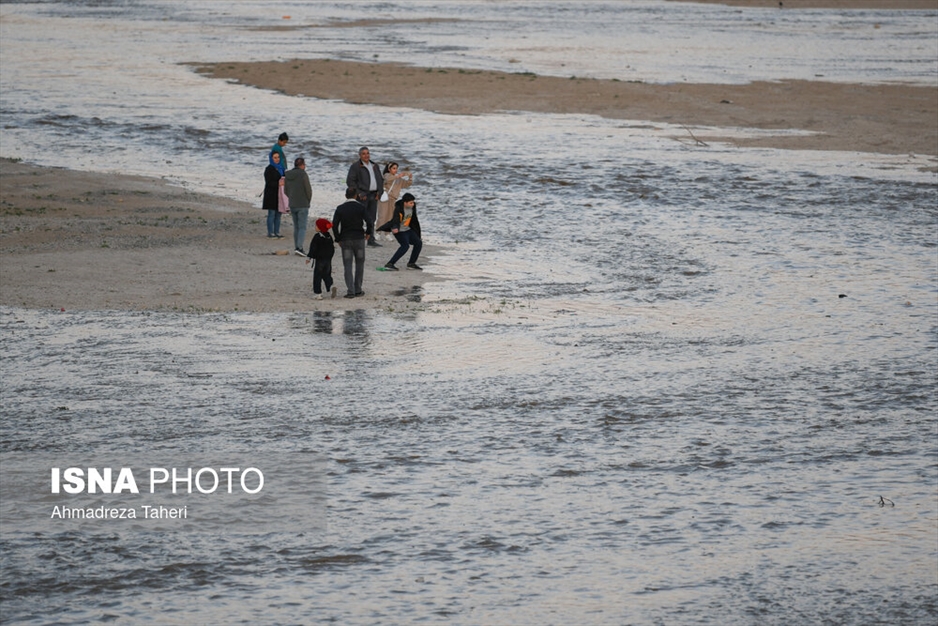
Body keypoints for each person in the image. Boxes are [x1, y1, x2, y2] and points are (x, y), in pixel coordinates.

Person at [332, 188, 373, 298]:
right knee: (359, 264)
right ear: (356, 196)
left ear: (346, 196)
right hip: (359, 239)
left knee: (347, 265)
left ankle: (350, 291)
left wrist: (338, 238)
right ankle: (358, 289)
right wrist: (368, 233)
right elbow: (369, 221)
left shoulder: (340, 208)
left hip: (346, 239)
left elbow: (334, 225)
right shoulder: (361, 207)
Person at [346, 146, 383, 248]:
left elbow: (380, 180)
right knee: (358, 218)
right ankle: (357, 239)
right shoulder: (356, 166)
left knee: (372, 218)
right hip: (363, 196)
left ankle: (371, 239)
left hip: (374, 195)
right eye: (364, 154)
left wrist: (380, 192)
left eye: (367, 153)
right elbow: (350, 181)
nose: (366, 155)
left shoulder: (374, 165)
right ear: (360, 155)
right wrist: (359, 193)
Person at [379, 192, 423, 271]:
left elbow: (414, 219)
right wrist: (395, 228)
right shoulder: (399, 208)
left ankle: (411, 263)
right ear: (405, 203)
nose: (413, 204)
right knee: (405, 246)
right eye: (411, 203)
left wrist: (417, 233)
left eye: (413, 202)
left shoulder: (413, 207)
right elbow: (395, 219)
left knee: (418, 243)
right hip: (399, 230)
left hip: (408, 229)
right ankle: (390, 264)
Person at [376, 162, 412, 241]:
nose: (395, 170)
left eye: (396, 168)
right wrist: (398, 176)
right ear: (389, 169)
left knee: (390, 217)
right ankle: (378, 232)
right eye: (394, 168)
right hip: (385, 198)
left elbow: (406, 184)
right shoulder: (386, 175)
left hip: (393, 200)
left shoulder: (399, 179)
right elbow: (388, 179)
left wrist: (410, 178)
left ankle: (387, 234)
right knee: (382, 216)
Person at [284, 157, 312, 256]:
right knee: (302, 227)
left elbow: (285, 190)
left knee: (296, 227)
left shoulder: (288, 175)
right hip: (302, 203)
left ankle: (297, 246)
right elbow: (308, 190)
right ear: (302, 165)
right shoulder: (303, 174)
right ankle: (299, 248)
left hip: (292, 203)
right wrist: (308, 200)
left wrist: (291, 197)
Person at [305, 218, 337, 299]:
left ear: (320, 228)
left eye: (316, 226)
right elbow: (332, 249)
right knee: (327, 274)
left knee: (317, 275)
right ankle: (330, 285)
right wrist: (330, 257)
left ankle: (318, 293)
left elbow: (313, 248)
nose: (315, 227)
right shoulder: (329, 236)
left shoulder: (317, 236)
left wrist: (309, 257)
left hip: (319, 259)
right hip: (328, 260)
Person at [262, 151, 285, 238]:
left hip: (280, 194)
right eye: (275, 157)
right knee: (271, 213)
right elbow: (268, 182)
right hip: (271, 195)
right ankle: (270, 232)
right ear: (271, 158)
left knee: (279, 214)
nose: (277, 159)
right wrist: (278, 183)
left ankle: (277, 232)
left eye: (278, 157)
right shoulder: (269, 169)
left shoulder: (282, 168)